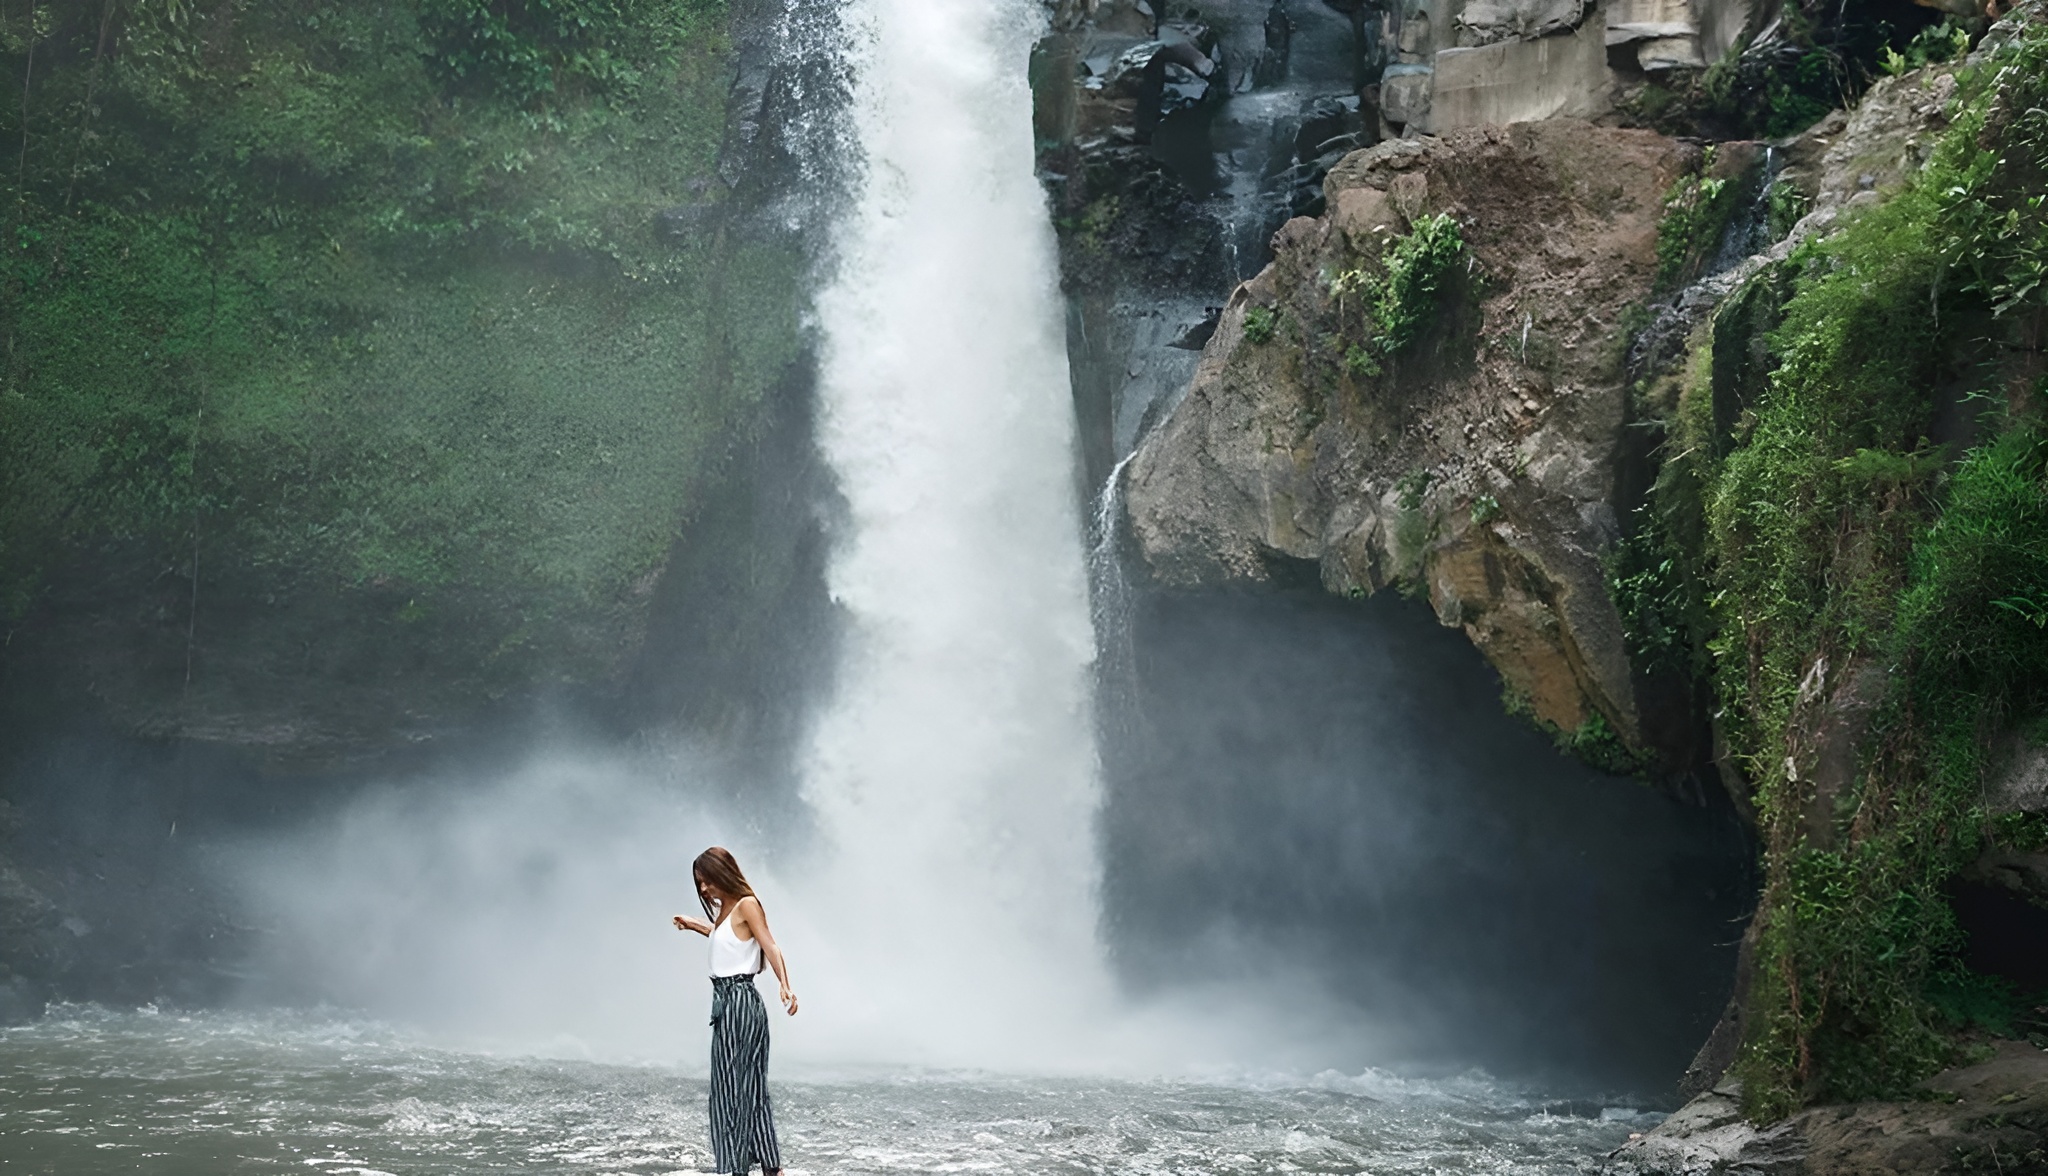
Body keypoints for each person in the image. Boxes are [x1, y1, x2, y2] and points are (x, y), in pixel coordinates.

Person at [672, 847, 797, 1176]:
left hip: (740, 999)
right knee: (743, 1085)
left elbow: (769, 944)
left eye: (706, 881)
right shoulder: (726, 911)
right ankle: (770, 1167)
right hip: (727, 1002)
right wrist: (694, 924)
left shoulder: (746, 904)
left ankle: (737, 1167)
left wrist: (785, 984)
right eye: (699, 884)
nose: (703, 889)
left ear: (721, 874)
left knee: (732, 1087)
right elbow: (724, 939)